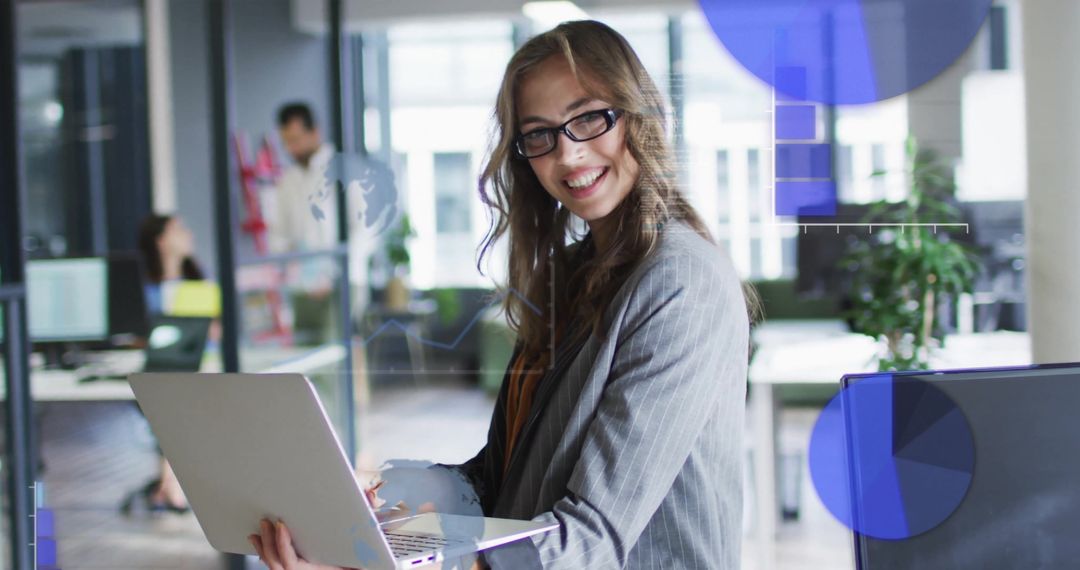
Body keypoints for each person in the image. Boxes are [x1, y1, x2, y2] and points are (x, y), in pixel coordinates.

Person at [251, 20, 754, 569]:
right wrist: (379, 516)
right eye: (539, 134)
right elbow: (502, 476)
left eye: (588, 118)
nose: (567, 156)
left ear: (636, 114)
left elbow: (594, 535)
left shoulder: (680, 281)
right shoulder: (574, 275)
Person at [130, 213, 205, 514]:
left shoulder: (199, 283)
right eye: (179, 229)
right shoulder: (141, 288)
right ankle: (171, 484)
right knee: (169, 400)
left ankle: (169, 482)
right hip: (153, 370)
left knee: (180, 402)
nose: (188, 235)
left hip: (194, 368)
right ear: (160, 241)